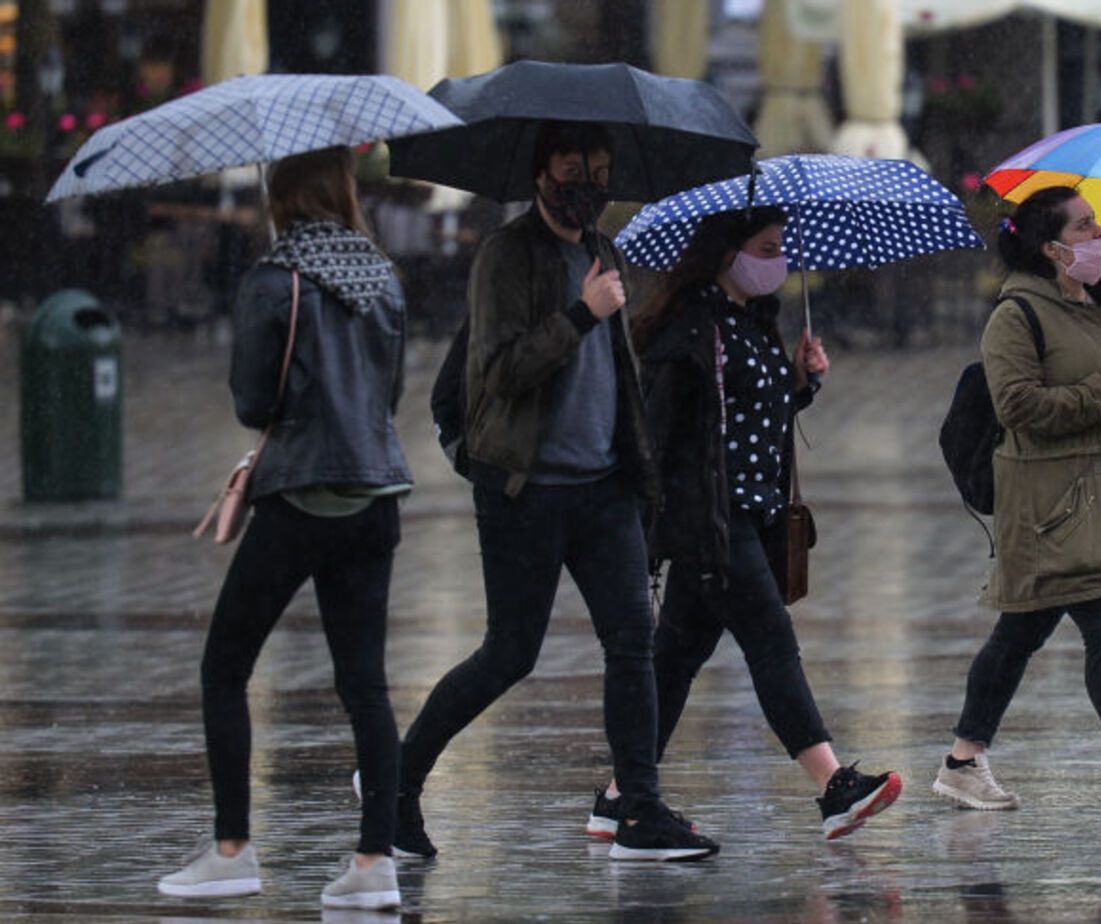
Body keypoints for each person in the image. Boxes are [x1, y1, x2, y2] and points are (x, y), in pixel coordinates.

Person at [395, 121, 717, 862]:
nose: (590, 188)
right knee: (509, 653)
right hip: (525, 488)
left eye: (601, 173)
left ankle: (638, 811)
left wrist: (639, 476)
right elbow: (501, 370)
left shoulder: (602, 249)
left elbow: (618, 377)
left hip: (603, 490)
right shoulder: (505, 257)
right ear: (542, 173)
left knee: (634, 643)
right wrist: (583, 313)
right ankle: (396, 786)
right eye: (576, 172)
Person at [159, 147, 412, 910]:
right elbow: (390, 391)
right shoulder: (383, 277)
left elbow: (252, 401)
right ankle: (375, 862)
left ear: (281, 197)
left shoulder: (273, 280)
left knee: (226, 667)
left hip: (300, 496)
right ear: (342, 192)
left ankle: (232, 847)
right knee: (365, 684)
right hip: (376, 495)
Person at [931, 186, 1101, 815]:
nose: (1097, 238)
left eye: (1097, 226)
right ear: (1051, 247)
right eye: (1084, 228)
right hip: (1044, 504)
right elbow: (1018, 405)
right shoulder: (1016, 316)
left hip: (1096, 499)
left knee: (1018, 635)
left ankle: (962, 759)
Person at [631, 207, 902, 841]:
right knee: (771, 639)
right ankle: (833, 784)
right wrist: (655, 521)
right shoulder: (693, 325)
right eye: (767, 247)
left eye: (782, 247)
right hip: (710, 520)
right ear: (728, 253)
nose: (778, 260)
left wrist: (802, 382)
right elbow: (663, 428)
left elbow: (755, 416)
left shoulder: (752, 320)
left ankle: (621, 791)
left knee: (673, 662)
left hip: (752, 511)